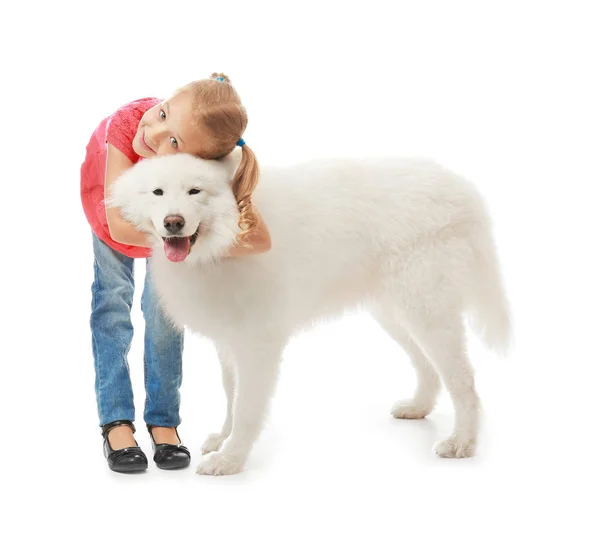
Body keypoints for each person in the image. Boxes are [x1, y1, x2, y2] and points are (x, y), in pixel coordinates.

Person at [80, 73, 271, 473]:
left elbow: (260, 239)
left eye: (175, 143)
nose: (155, 133)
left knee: (165, 315)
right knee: (112, 306)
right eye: (162, 113)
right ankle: (116, 422)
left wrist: (199, 235)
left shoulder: (206, 162)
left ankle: (164, 422)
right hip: (117, 212)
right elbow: (118, 225)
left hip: (170, 225)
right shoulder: (128, 125)